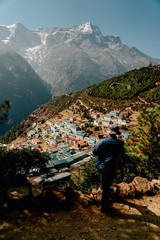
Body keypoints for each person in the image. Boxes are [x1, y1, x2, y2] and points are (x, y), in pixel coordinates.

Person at [92, 124, 124, 212]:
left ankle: (104, 206)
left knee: (105, 186)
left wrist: (98, 142)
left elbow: (94, 152)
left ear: (109, 132)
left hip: (102, 166)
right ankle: (106, 198)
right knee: (107, 183)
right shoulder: (121, 143)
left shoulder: (102, 141)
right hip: (113, 166)